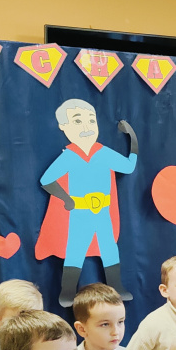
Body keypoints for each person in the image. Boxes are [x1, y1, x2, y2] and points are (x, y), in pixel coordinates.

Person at [35, 98, 139, 305]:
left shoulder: (103, 153)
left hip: (102, 212)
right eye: (77, 121)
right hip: (80, 212)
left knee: (109, 248)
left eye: (91, 120)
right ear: (64, 127)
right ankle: (67, 292)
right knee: (76, 249)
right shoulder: (69, 157)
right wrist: (66, 199)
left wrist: (132, 137)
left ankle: (116, 286)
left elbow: (128, 167)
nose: (86, 127)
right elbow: (46, 180)